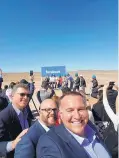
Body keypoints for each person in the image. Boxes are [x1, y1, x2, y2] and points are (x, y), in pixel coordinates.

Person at [36, 91, 111, 158]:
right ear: (60, 114)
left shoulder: (91, 128)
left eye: (81, 109)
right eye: (70, 110)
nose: (77, 116)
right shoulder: (50, 142)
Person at [0, 83, 31, 158]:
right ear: (12, 95)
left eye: (28, 95)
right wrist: (13, 144)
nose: (26, 97)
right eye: (22, 94)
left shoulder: (26, 111)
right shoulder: (3, 116)